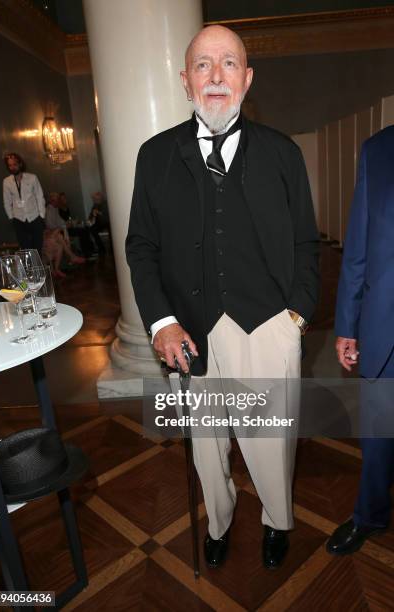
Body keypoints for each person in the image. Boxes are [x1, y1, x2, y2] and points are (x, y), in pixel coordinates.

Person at [126, 25, 319, 569]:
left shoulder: (284, 154)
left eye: (229, 63)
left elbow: (307, 240)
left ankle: (278, 521)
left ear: (247, 78)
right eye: (203, 65)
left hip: (267, 327)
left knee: (272, 446)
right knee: (206, 448)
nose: (216, 75)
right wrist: (161, 322)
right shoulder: (154, 155)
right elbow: (140, 244)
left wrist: (296, 318)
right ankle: (219, 520)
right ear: (185, 80)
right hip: (188, 331)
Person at [327, 126, 394, 555]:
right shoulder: (379, 151)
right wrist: (347, 325)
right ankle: (369, 515)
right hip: (384, 330)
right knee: (376, 437)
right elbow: (358, 248)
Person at [2, 153, 45, 254]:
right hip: (18, 219)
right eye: (10, 165)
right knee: (26, 250)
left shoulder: (32, 178)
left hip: (34, 217)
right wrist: (11, 217)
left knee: (38, 247)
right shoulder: (7, 182)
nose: (12, 167)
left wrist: (41, 215)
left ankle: (37, 269)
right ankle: (29, 269)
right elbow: (6, 201)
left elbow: (40, 196)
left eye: (14, 164)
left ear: (20, 164)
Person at [44, 192, 85, 267]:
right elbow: (50, 225)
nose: (58, 201)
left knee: (63, 234)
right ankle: (72, 257)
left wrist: (65, 225)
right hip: (50, 233)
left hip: (56, 231)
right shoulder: (49, 210)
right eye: (56, 200)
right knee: (61, 235)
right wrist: (64, 226)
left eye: (58, 199)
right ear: (52, 201)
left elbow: (60, 221)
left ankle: (72, 258)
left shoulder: (54, 209)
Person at [58, 192, 96, 258]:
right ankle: (86, 252)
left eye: (65, 198)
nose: (65, 200)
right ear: (60, 200)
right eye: (63, 198)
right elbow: (62, 223)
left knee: (86, 228)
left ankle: (91, 250)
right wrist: (71, 223)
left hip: (70, 227)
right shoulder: (58, 210)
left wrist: (74, 222)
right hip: (65, 230)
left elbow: (69, 220)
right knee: (82, 231)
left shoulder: (66, 208)